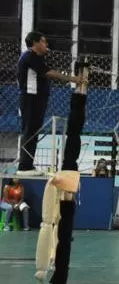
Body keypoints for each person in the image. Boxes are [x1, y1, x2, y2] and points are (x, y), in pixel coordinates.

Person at [17, 32, 80, 176]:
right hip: (30, 98)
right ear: (34, 43)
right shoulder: (30, 57)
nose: (46, 45)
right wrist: (71, 78)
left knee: (33, 130)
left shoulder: (36, 58)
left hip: (36, 99)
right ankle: (24, 166)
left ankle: (28, 165)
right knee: (30, 130)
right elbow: (48, 73)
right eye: (43, 42)